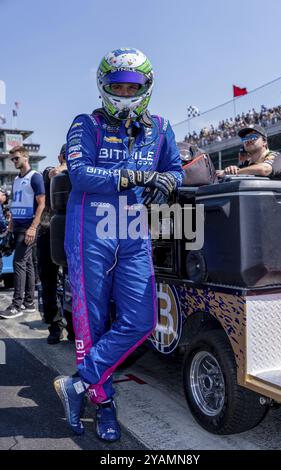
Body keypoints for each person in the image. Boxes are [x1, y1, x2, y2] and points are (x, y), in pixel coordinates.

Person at [53, 47, 183, 442]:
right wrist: (131, 176)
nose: (125, 93)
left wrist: (167, 181)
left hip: (134, 230)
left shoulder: (161, 127)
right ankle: (103, 404)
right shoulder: (85, 124)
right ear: (103, 86)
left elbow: (175, 168)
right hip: (89, 227)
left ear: (147, 86)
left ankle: (78, 383)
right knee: (91, 322)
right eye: (118, 86)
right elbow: (80, 173)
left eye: (133, 86)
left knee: (142, 321)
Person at [0, 146, 45, 319]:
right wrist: (10, 227)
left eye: (16, 158)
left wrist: (33, 227)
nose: (14, 161)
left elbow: (42, 203)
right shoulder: (17, 180)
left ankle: (16, 305)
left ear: (25, 158)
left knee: (19, 262)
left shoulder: (35, 177)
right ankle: (28, 303)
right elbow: (15, 205)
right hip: (17, 226)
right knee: (26, 264)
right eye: (12, 159)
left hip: (28, 226)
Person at [37, 144, 74, 344]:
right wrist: (65, 165)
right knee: (48, 281)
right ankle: (55, 325)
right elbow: (51, 173)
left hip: (70, 233)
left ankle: (74, 326)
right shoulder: (51, 171)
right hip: (48, 231)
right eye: (67, 156)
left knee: (72, 283)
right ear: (61, 156)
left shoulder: (80, 175)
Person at [217, 125, 281, 181]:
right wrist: (231, 170)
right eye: (245, 138)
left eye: (253, 137)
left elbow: (264, 169)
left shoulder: (276, 156)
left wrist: (236, 172)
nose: (248, 140)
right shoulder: (245, 164)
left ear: (264, 141)